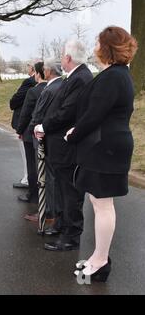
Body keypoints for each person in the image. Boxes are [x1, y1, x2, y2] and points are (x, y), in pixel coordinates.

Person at [66, 26, 138, 282]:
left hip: (105, 147)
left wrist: (73, 134)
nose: (95, 47)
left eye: (98, 43)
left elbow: (94, 114)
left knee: (103, 204)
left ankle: (101, 261)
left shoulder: (113, 77)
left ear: (106, 48)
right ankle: (98, 257)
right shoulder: (118, 74)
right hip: (106, 145)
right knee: (100, 203)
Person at [36, 40, 94, 251]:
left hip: (66, 146)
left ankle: (71, 235)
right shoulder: (77, 76)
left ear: (69, 58)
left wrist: (44, 125)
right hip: (59, 144)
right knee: (62, 189)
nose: (61, 59)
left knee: (70, 192)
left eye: (62, 55)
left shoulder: (81, 78)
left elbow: (66, 112)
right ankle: (62, 224)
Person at [25, 60, 63, 225]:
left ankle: (47, 212)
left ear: (49, 71)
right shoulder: (62, 85)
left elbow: (38, 113)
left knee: (46, 177)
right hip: (56, 138)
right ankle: (53, 210)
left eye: (45, 69)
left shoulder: (49, 89)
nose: (43, 71)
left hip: (44, 137)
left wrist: (33, 128)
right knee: (53, 177)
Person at [16, 62, 48, 204]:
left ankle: (33, 194)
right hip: (47, 131)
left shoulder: (33, 91)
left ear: (38, 73)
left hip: (31, 133)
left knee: (32, 165)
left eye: (34, 72)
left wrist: (20, 130)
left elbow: (26, 113)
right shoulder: (52, 88)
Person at [10, 63, 36, 189]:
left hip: (25, 123)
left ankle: (27, 179)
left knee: (26, 154)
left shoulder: (29, 82)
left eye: (29, 66)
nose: (27, 69)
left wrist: (12, 103)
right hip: (35, 124)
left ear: (33, 68)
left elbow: (17, 98)